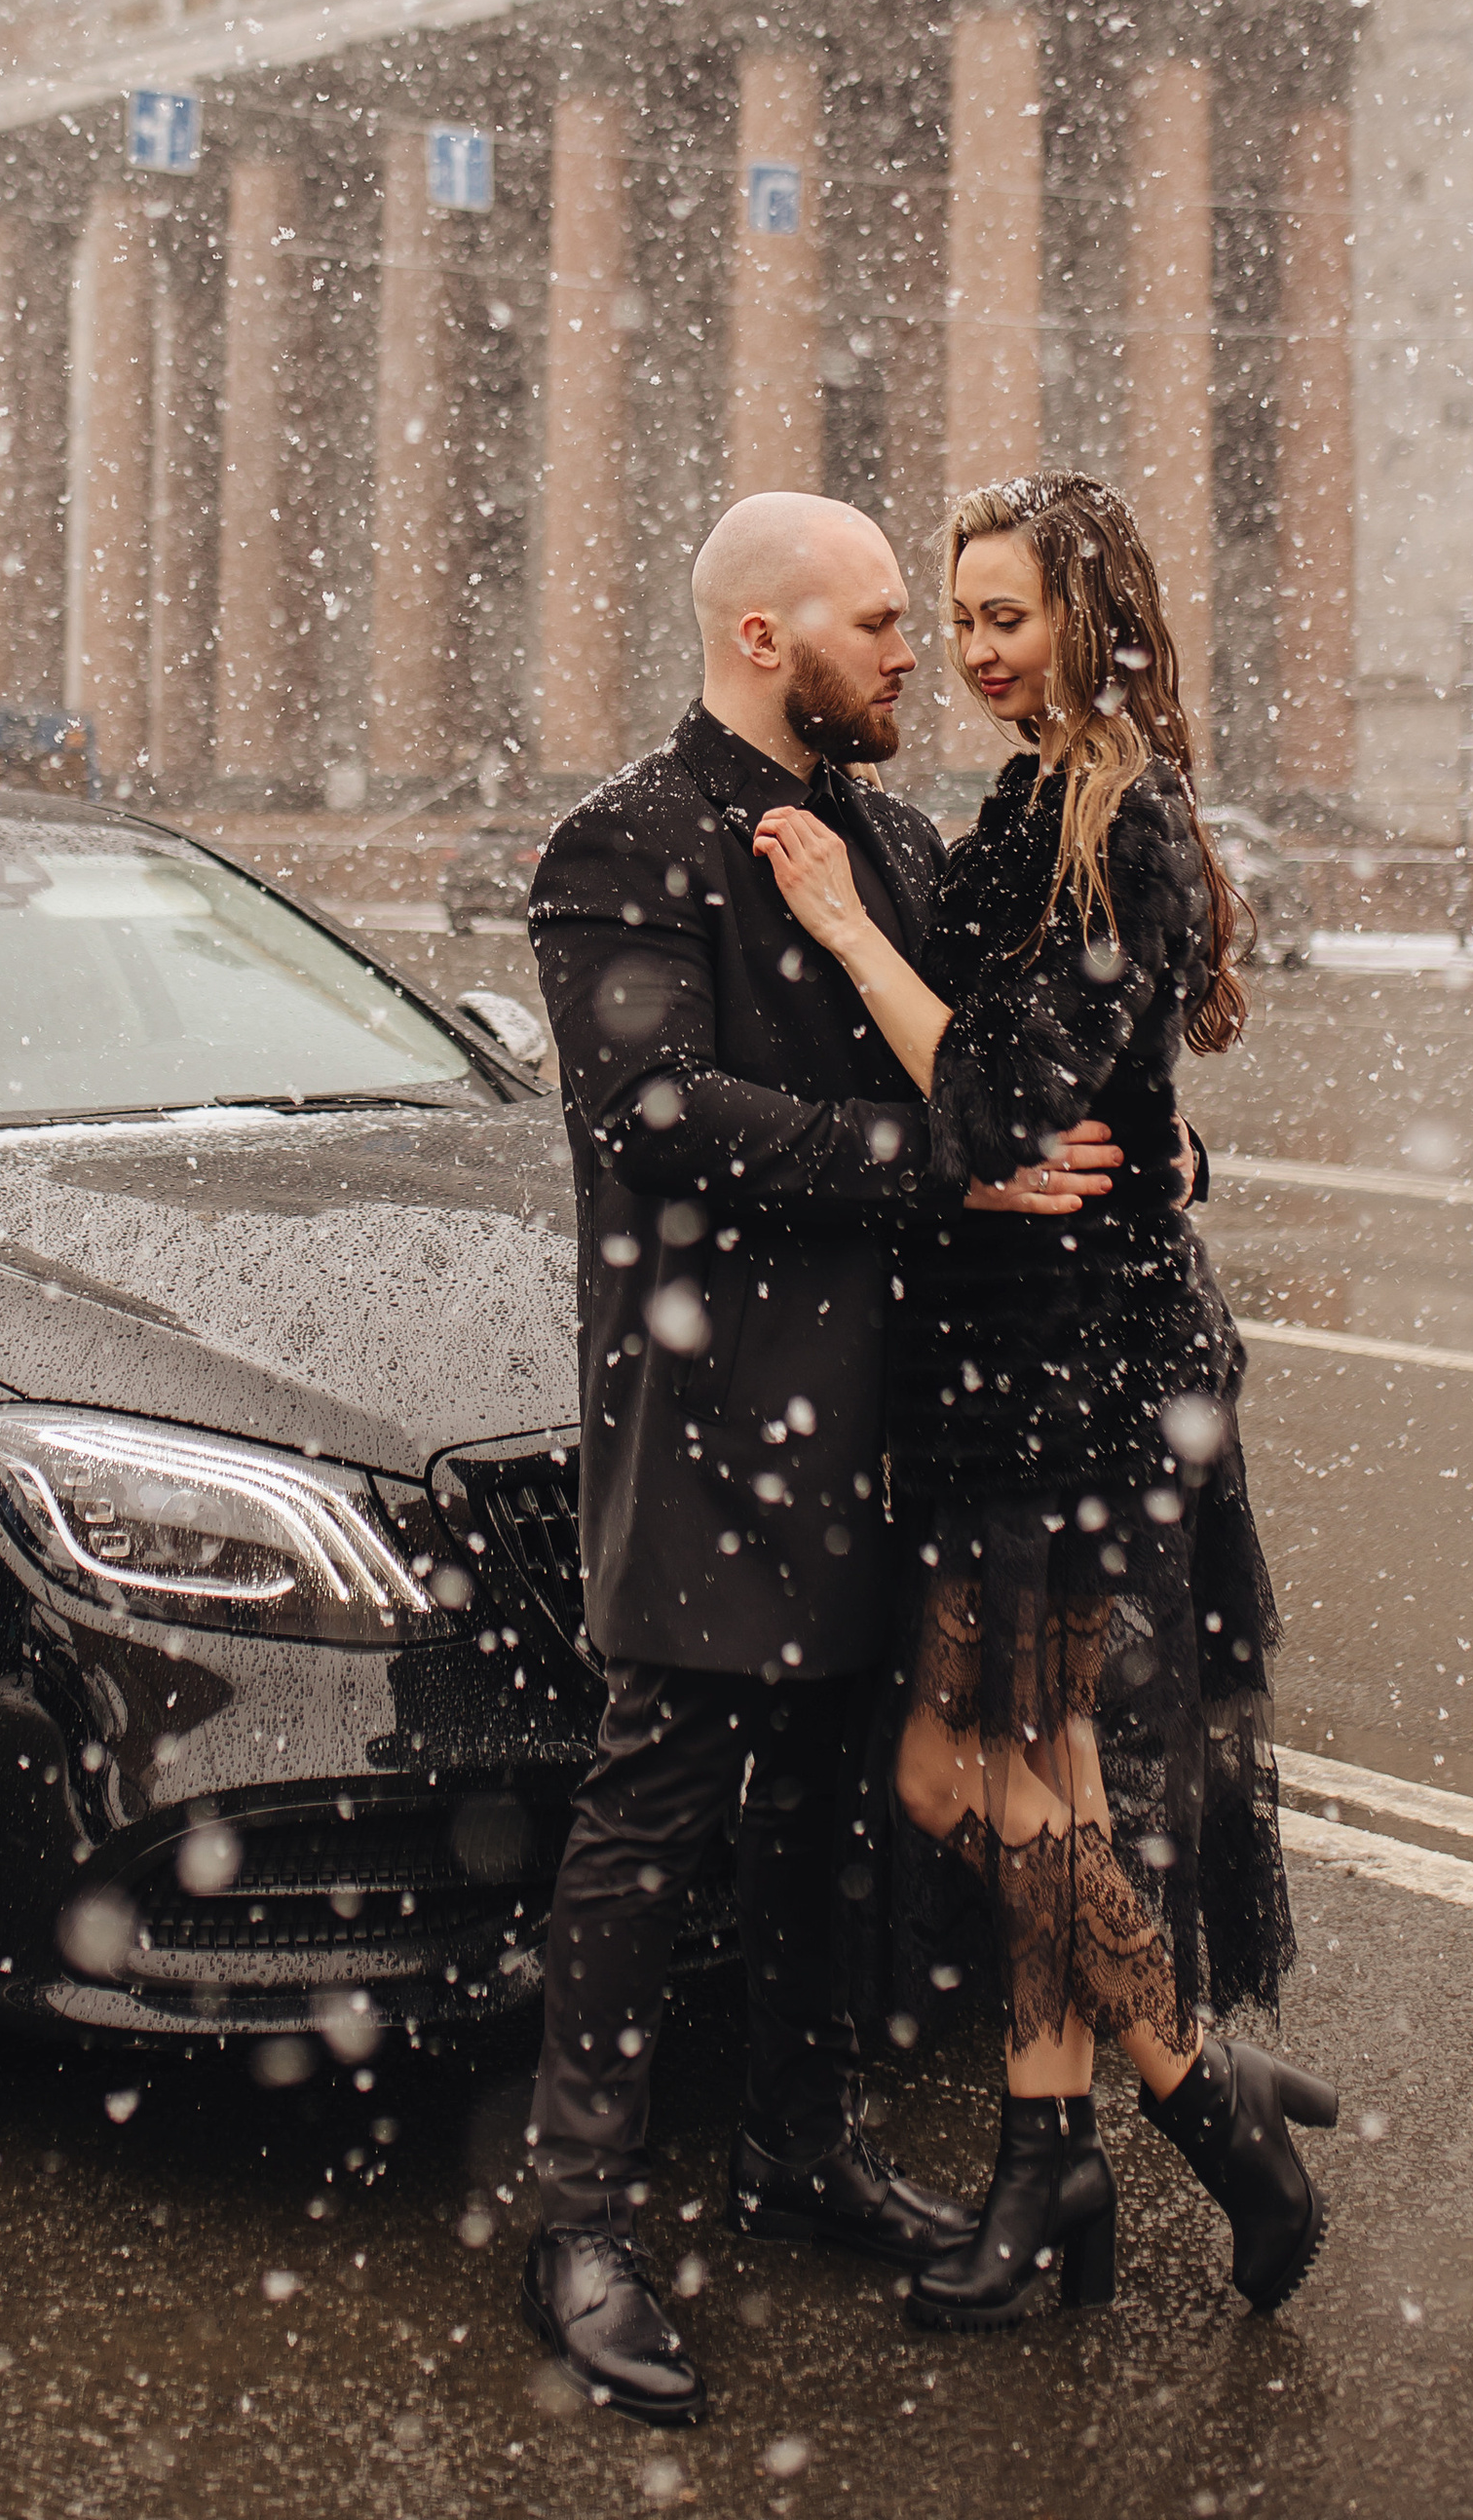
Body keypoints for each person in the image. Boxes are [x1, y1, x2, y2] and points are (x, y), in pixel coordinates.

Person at [517, 491, 1124, 2424]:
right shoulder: (623, 836)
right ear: (762, 637)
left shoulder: (895, 839)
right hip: (710, 1422)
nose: (910, 653)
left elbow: (988, 1064)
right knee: (649, 1828)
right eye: (875, 622)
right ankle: (577, 2225)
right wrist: (932, 1163)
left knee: (824, 1834)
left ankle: (793, 2148)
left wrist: (1139, 1156)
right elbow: (654, 1110)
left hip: (893, 1424)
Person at [753, 472, 1335, 2336]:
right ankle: (1067, 2138)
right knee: (1034, 1778)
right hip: (1018, 1365)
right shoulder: (1041, 797)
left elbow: (1000, 1105)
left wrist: (848, 928)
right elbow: (1090, 1097)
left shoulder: (1113, 817)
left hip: (1068, 1381)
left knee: (972, 1774)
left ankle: (1177, 2114)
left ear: (1091, 616)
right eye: (958, 616)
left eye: (1004, 616)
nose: (974, 647)